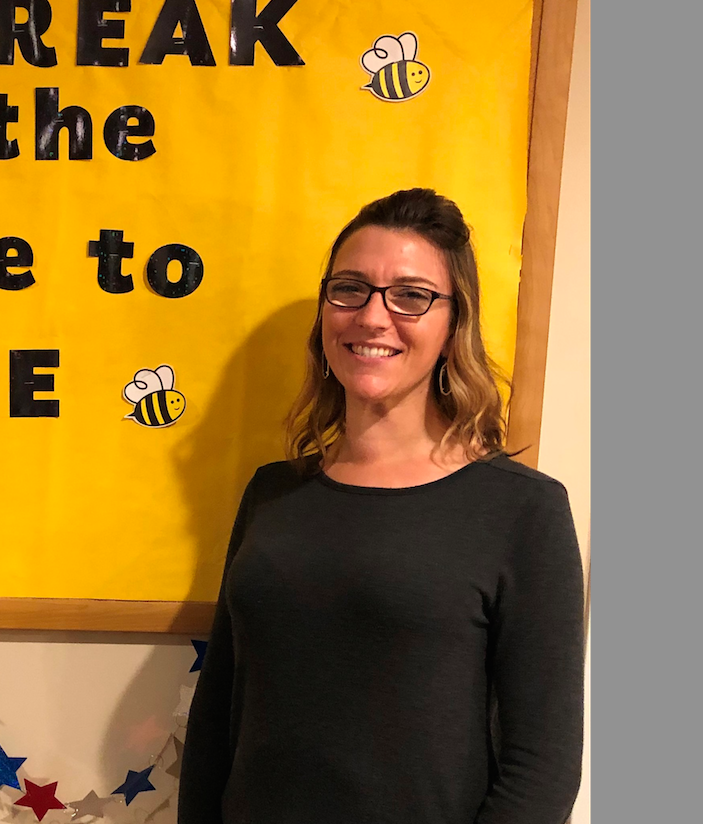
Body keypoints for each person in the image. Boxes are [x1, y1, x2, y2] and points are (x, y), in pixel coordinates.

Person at [178, 189, 585, 824]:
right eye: (350, 289)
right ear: (325, 311)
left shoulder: (521, 510)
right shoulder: (272, 494)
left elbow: (544, 767)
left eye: (411, 296)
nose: (373, 317)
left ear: (453, 326)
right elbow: (217, 715)